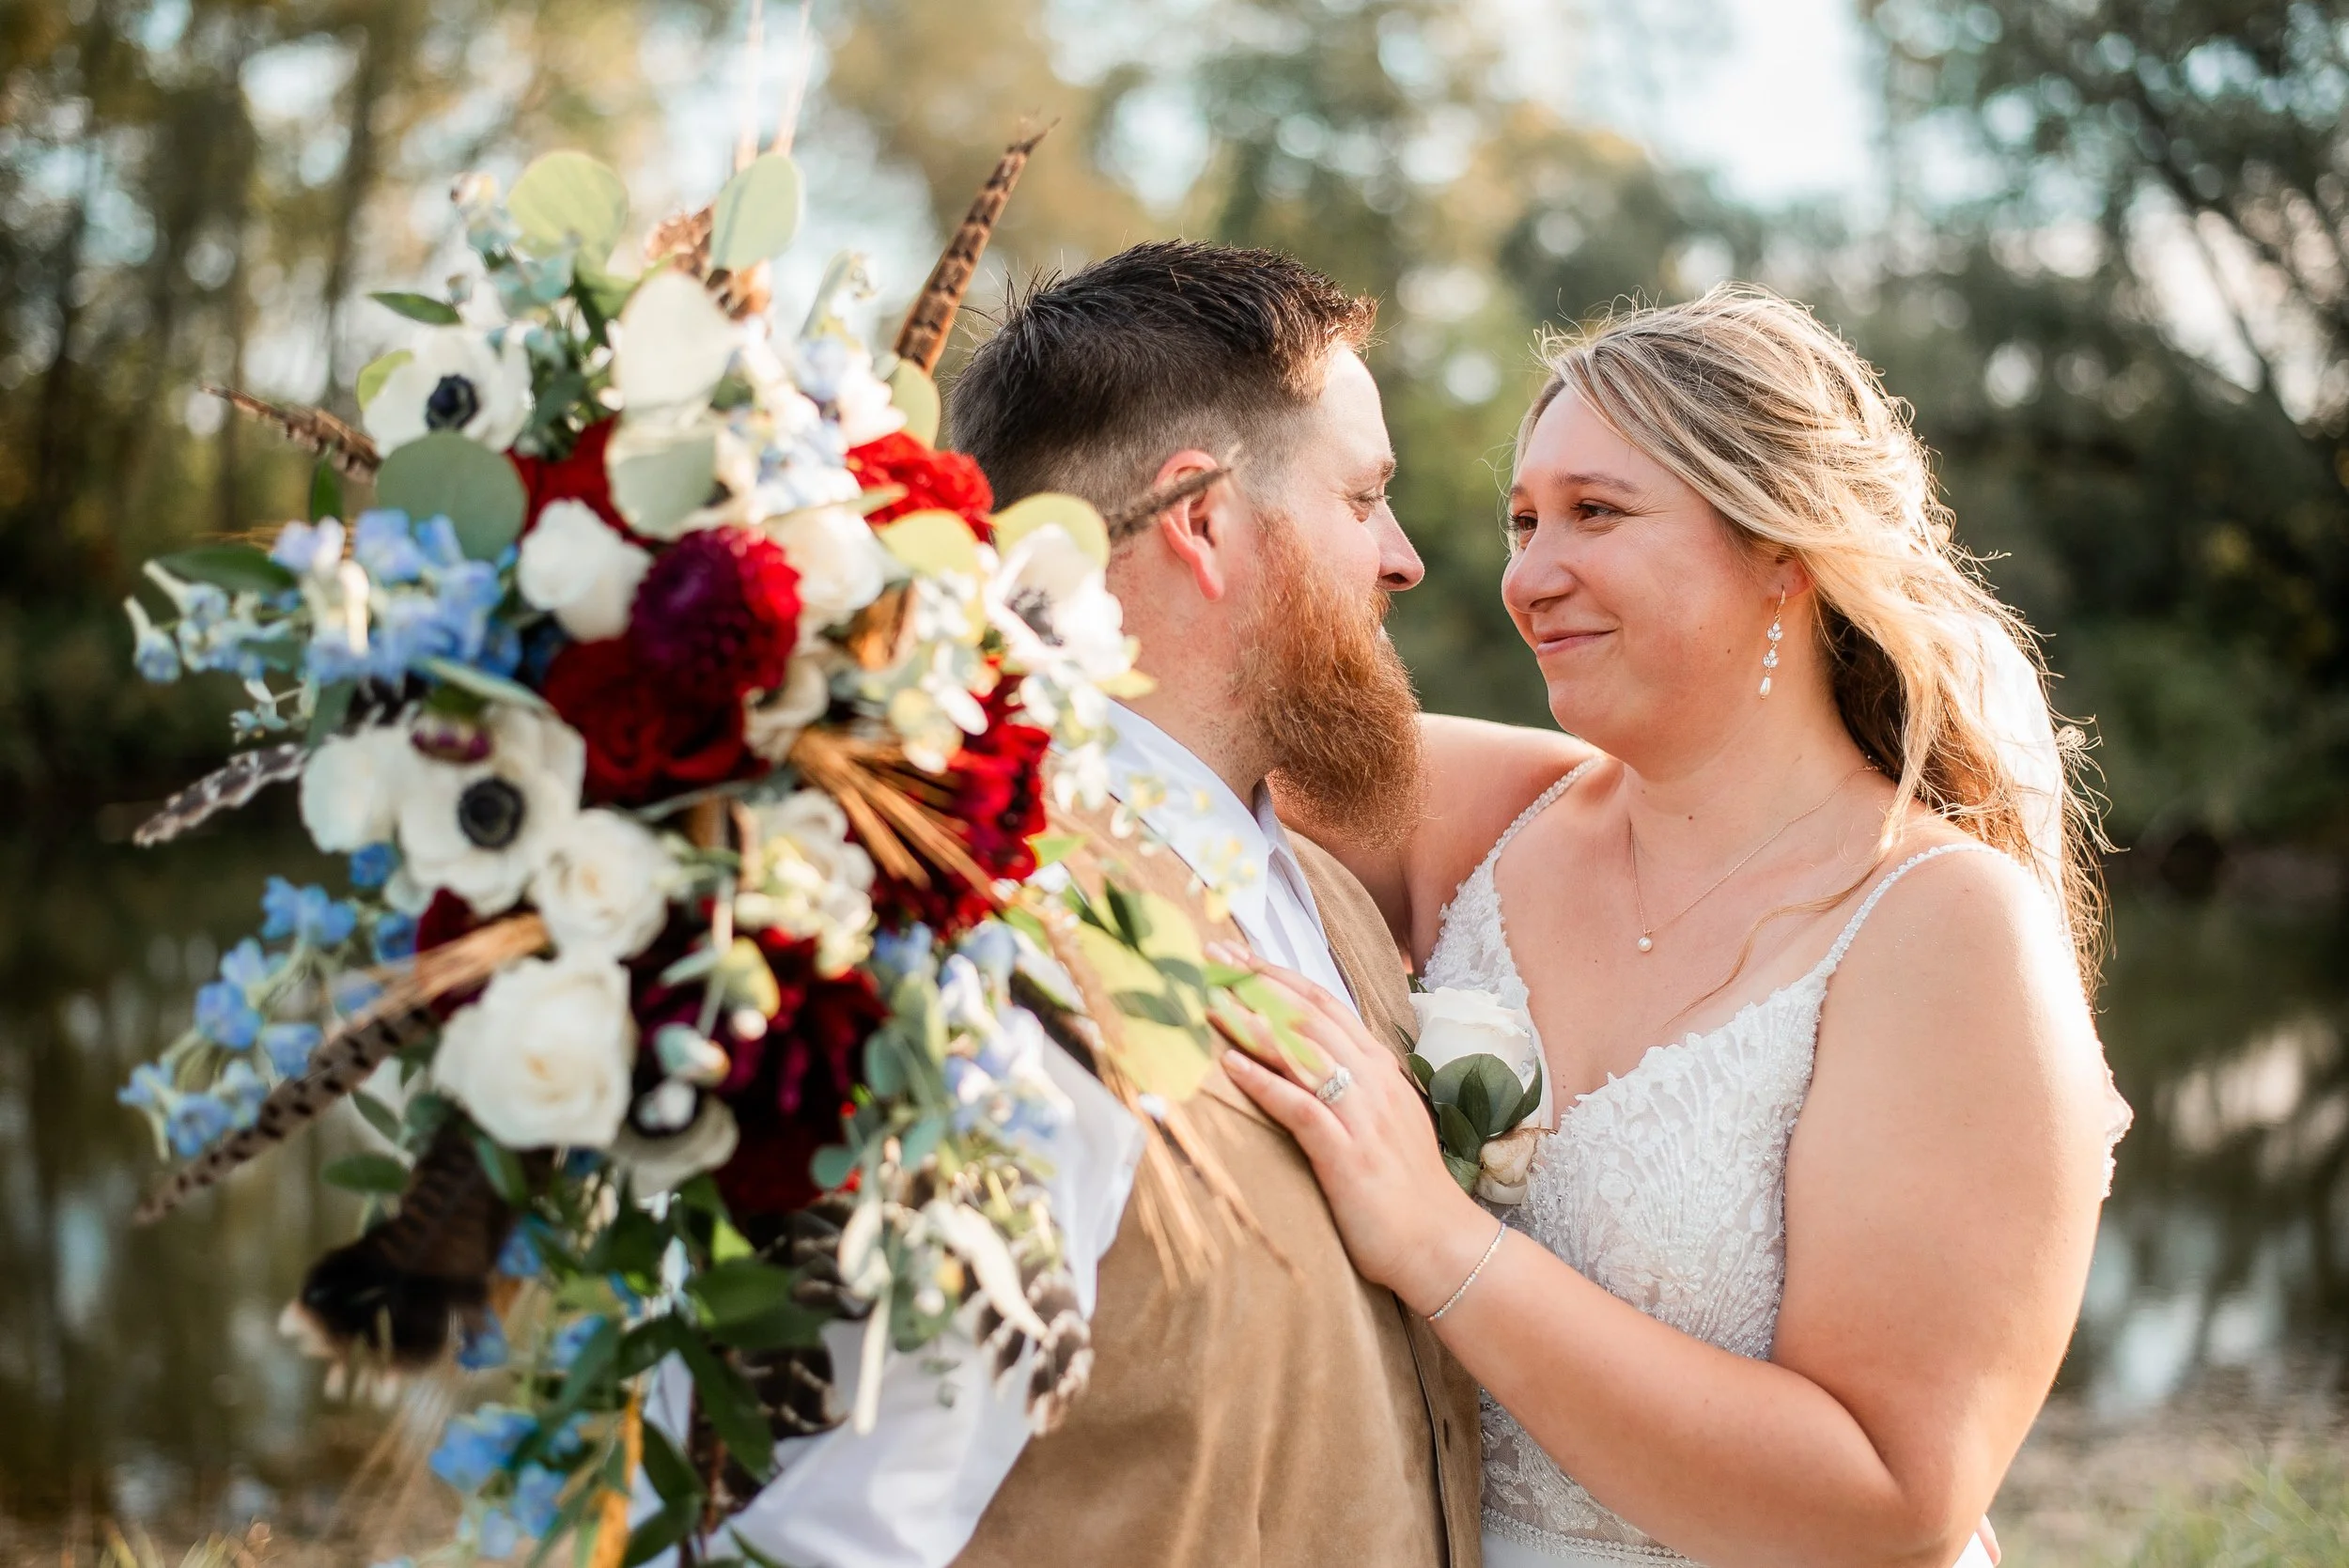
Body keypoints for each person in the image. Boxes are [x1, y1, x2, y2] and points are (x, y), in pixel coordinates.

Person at [1220, 286, 2133, 1568]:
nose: (1528, 578)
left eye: (1597, 513)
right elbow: (1147, 752)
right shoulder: (1485, 812)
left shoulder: (1942, 927)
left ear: (1783, 553)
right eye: (1524, 521)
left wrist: (1439, 1240)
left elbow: (1895, 1499)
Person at [702, 241, 1486, 1567]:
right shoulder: (979, 952)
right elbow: (827, 1533)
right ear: (1201, 518)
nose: (1404, 559)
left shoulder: (1340, 910)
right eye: (1363, 498)